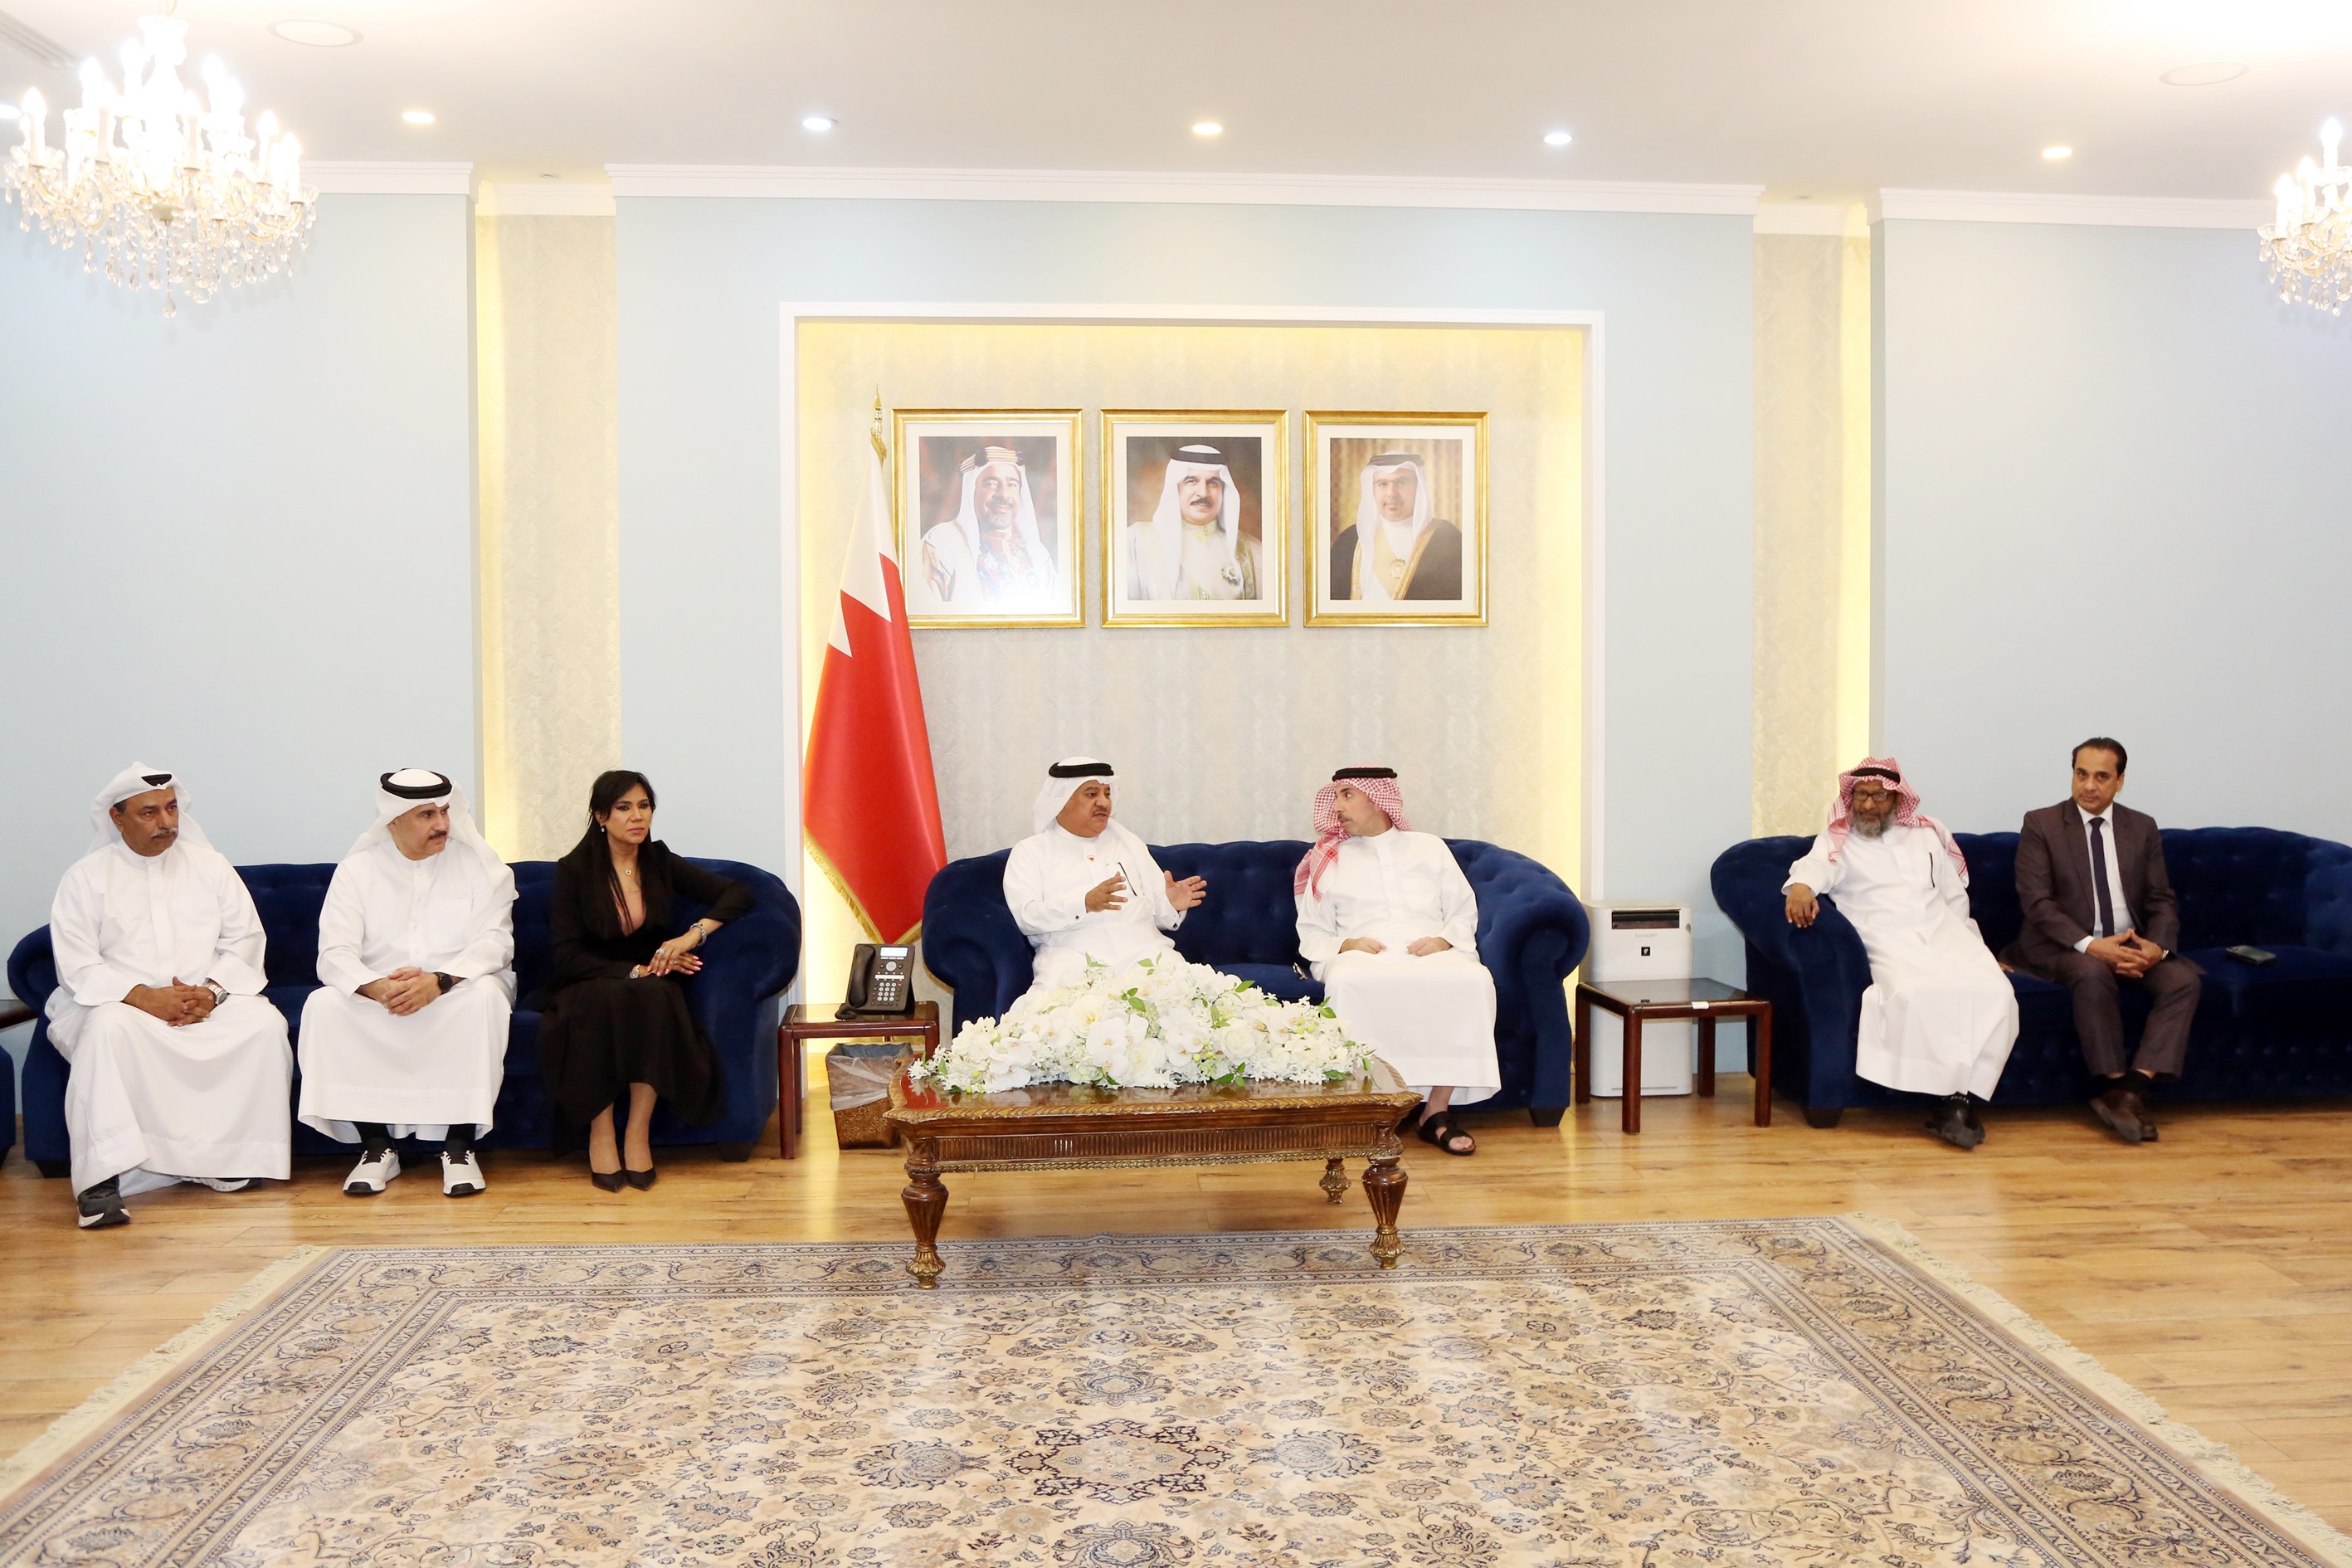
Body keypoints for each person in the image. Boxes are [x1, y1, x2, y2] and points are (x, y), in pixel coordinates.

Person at [45, 765, 291, 1230]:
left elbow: (244, 941)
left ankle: (225, 1161)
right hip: (120, 1004)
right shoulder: (85, 877)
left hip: (203, 1001)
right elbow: (78, 966)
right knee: (105, 1032)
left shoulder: (210, 866)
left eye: (172, 808)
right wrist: (143, 998)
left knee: (264, 1026)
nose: (166, 822)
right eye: (150, 812)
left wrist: (211, 993)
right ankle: (101, 1181)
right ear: (117, 818)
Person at [297, 770, 516, 1199]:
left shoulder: (476, 865)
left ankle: (459, 1146)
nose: (442, 824)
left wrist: (439, 981)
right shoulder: (357, 870)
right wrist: (376, 988)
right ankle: (376, 1146)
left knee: (485, 998)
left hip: (457, 986)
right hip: (381, 992)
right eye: (427, 815)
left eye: (445, 812)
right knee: (324, 1005)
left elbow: (496, 942)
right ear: (393, 820)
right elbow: (334, 953)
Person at [1784, 758, 2018, 1149]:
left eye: (1879, 796)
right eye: (1861, 795)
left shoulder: (1928, 835)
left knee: (1996, 991)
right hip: (1885, 936)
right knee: (1913, 992)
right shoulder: (1839, 837)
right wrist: (1801, 888)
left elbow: (1953, 897)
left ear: (1897, 800)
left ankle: (1958, 1099)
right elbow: (1814, 867)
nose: (1868, 805)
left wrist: (1977, 949)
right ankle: (1951, 1101)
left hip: (1945, 934)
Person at [538, 770, 752, 1191]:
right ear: (601, 816)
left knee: (655, 996)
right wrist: (634, 970)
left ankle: (637, 1132)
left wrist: (691, 936)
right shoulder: (575, 870)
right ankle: (601, 1133)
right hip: (589, 979)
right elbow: (566, 956)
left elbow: (738, 893)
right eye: (624, 808)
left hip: (650, 982)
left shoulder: (658, 860)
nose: (637, 816)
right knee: (609, 999)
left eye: (644, 806)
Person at [2007, 738, 2202, 1145]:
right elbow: (2038, 904)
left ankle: (2128, 1091)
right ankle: (2113, 1080)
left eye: (2101, 777)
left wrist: (2156, 948)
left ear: (2120, 781)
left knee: (2183, 981)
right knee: (2092, 972)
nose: (2089, 786)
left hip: (2131, 944)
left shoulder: (2141, 828)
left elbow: (2161, 900)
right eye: (2081, 775)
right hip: (2063, 946)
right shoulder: (2041, 824)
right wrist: (2093, 946)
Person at [1294, 767, 1497, 1156]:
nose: (1337, 807)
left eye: (1347, 795)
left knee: (1474, 980)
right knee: (1348, 983)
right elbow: (1312, 929)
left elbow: (1462, 910)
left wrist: (1444, 940)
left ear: (1377, 799)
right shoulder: (1329, 858)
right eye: (1335, 797)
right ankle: (1362, 1111)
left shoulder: (1429, 848)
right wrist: (1347, 944)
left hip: (1430, 949)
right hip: (1361, 954)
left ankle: (1436, 1111)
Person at [1002, 757, 1207, 994]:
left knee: (1194, 994)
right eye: (1091, 794)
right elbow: (1027, 917)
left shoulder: (1128, 843)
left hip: (1143, 952)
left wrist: (1170, 904)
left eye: (1107, 794)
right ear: (1061, 800)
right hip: (1073, 959)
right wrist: (1083, 904)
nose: (1104, 803)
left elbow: (1160, 916)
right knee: (1054, 1009)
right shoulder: (1031, 852)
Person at [918, 446, 1058, 609]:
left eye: (1012, 484)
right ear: (972, 490)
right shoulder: (942, 542)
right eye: (991, 483)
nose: (1004, 494)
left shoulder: (1037, 553)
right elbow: (927, 615)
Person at [1123, 444, 1260, 601]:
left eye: (1213, 483)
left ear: (1223, 491)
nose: (1203, 492)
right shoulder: (1136, 541)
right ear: (1176, 488)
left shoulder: (1253, 550)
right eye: (1192, 481)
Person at [1327, 451, 1463, 602]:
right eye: (1383, 484)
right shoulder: (1350, 540)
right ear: (1373, 489)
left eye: (1401, 483)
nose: (1391, 493)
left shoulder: (1447, 540)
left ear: (1418, 487)